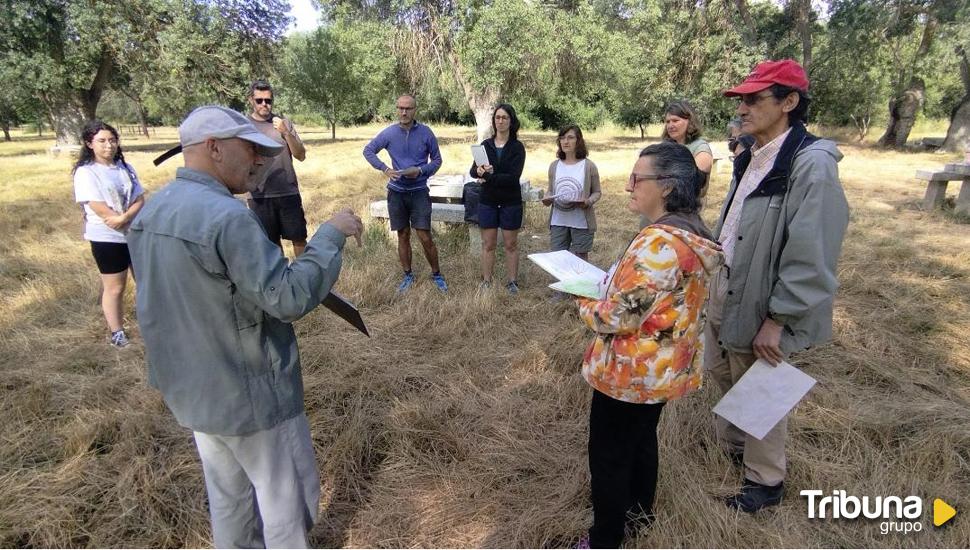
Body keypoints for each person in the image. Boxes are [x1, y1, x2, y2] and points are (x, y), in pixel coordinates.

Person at [127, 105, 364, 548]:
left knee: (230, 502)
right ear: (214, 148)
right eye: (251, 149)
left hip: (196, 391)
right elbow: (288, 297)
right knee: (287, 505)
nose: (260, 159)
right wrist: (330, 235)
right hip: (250, 393)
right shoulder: (228, 218)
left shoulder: (151, 211)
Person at [705, 59, 849, 513]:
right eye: (741, 99)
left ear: (789, 102)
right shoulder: (752, 153)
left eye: (754, 99)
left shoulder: (812, 165)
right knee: (721, 368)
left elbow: (812, 253)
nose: (743, 108)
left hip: (763, 297)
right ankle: (735, 446)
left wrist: (779, 318)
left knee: (760, 385)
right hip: (725, 280)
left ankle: (765, 481)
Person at [573, 142, 724, 548]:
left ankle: (605, 539)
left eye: (638, 179)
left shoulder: (657, 243)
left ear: (669, 187)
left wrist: (582, 300)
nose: (628, 187)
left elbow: (618, 316)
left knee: (609, 457)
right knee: (641, 443)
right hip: (664, 370)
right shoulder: (692, 233)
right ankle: (640, 518)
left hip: (630, 373)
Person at [72, 120, 145, 348]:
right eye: (102, 141)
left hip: (133, 232)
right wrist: (118, 219)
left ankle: (151, 324)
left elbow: (139, 198)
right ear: (89, 143)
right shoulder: (86, 173)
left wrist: (125, 217)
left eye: (112, 140)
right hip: (106, 238)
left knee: (145, 281)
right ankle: (117, 332)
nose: (108, 145)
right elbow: (97, 206)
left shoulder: (125, 168)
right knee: (115, 287)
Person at [363, 94, 447, 293]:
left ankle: (437, 274)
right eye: (400, 108)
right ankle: (408, 275)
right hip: (397, 192)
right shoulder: (389, 133)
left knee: (425, 236)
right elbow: (368, 151)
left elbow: (437, 161)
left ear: (415, 110)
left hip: (419, 192)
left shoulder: (426, 132)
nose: (403, 112)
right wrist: (384, 168)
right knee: (403, 235)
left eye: (408, 108)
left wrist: (420, 171)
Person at [245, 79, 309, 258]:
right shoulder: (244, 126)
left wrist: (286, 133)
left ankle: (304, 281)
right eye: (259, 100)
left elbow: (301, 156)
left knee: (299, 239)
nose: (264, 104)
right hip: (259, 195)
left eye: (268, 100)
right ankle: (281, 284)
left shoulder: (283, 123)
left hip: (288, 192)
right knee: (270, 245)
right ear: (251, 100)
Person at [468, 104, 526, 293]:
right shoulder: (486, 145)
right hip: (488, 201)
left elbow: (513, 178)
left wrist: (489, 177)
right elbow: (472, 170)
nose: (500, 121)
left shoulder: (517, 147)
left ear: (511, 121)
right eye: (497, 117)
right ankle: (486, 281)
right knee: (488, 244)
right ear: (494, 121)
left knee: (510, 244)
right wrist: (478, 171)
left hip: (510, 201)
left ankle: (512, 282)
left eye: (504, 118)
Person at [541, 125, 601, 262]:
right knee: (558, 258)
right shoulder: (554, 166)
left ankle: (579, 283)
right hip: (558, 220)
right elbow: (550, 190)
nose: (565, 142)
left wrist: (588, 202)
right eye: (562, 138)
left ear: (579, 141)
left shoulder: (589, 166)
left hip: (581, 221)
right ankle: (560, 283)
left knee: (580, 259)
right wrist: (547, 198)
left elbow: (597, 192)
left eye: (570, 138)